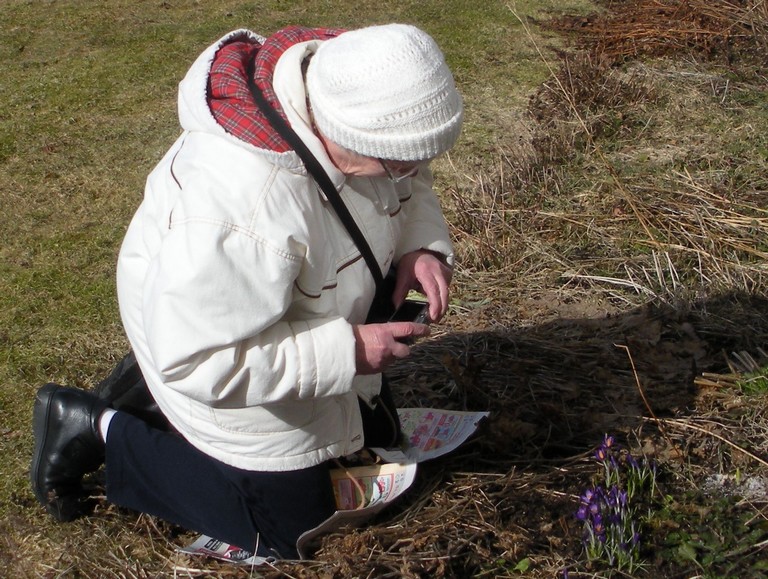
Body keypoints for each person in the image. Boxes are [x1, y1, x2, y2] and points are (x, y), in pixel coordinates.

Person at [30, 22, 463, 559]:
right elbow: (195, 358)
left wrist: (420, 245)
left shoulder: (354, 94)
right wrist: (347, 351)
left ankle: (146, 388)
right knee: (289, 526)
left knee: (381, 449)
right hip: (200, 341)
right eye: (397, 163)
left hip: (263, 310)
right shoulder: (241, 207)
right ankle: (96, 426)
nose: (410, 173)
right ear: (342, 132)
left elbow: (409, 176)